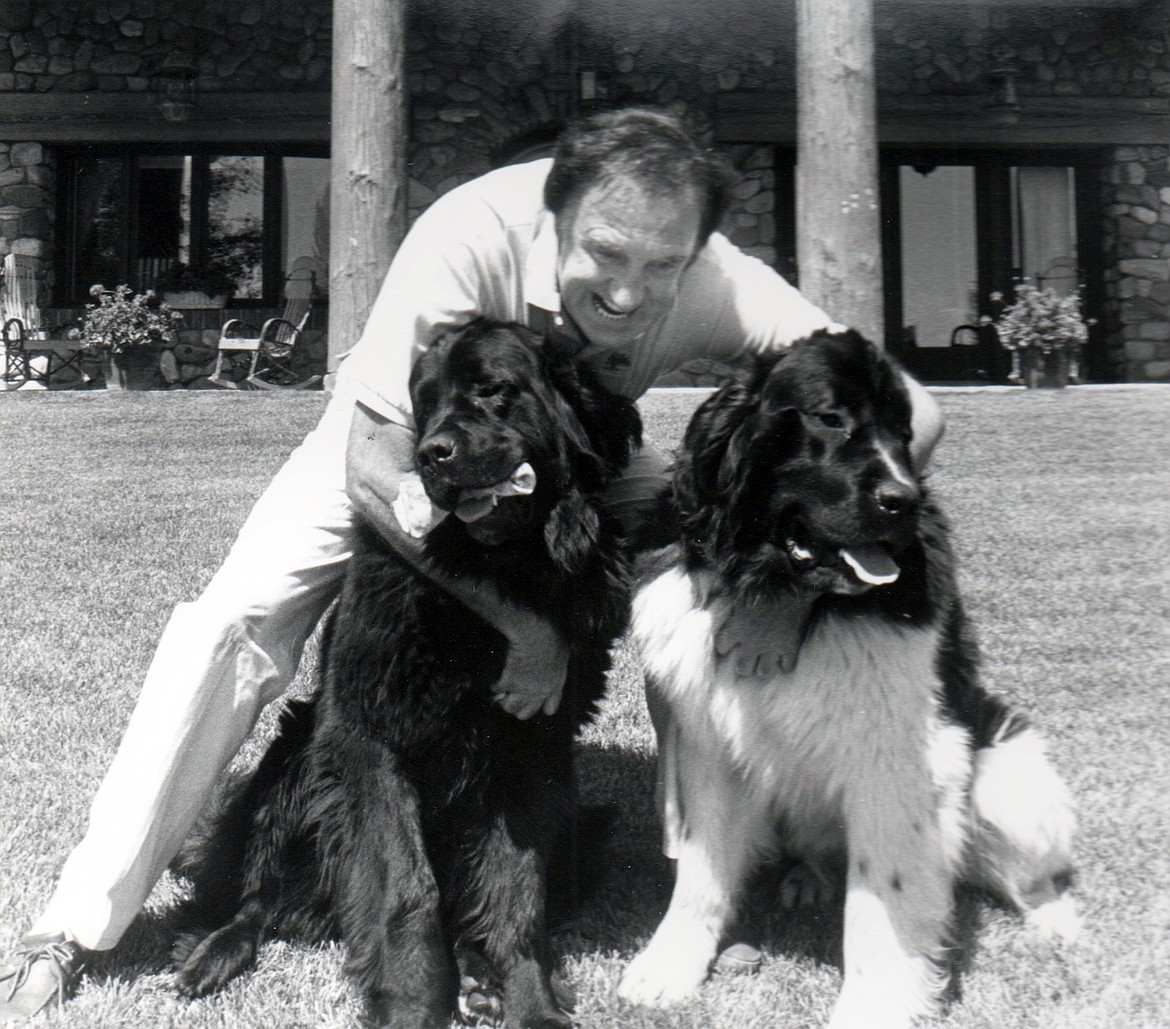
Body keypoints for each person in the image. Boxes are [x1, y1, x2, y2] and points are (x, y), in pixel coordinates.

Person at [0, 107, 943, 1019]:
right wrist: (527, 629)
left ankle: (693, 891)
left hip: (579, 453)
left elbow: (915, 411)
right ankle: (76, 920)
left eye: (662, 266)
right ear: (553, 214)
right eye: (605, 255)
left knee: (686, 591)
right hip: (401, 446)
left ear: (695, 251)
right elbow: (374, 463)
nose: (628, 292)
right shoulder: (465, 232)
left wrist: (785, 592)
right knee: (239, 613)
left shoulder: (718, 277)